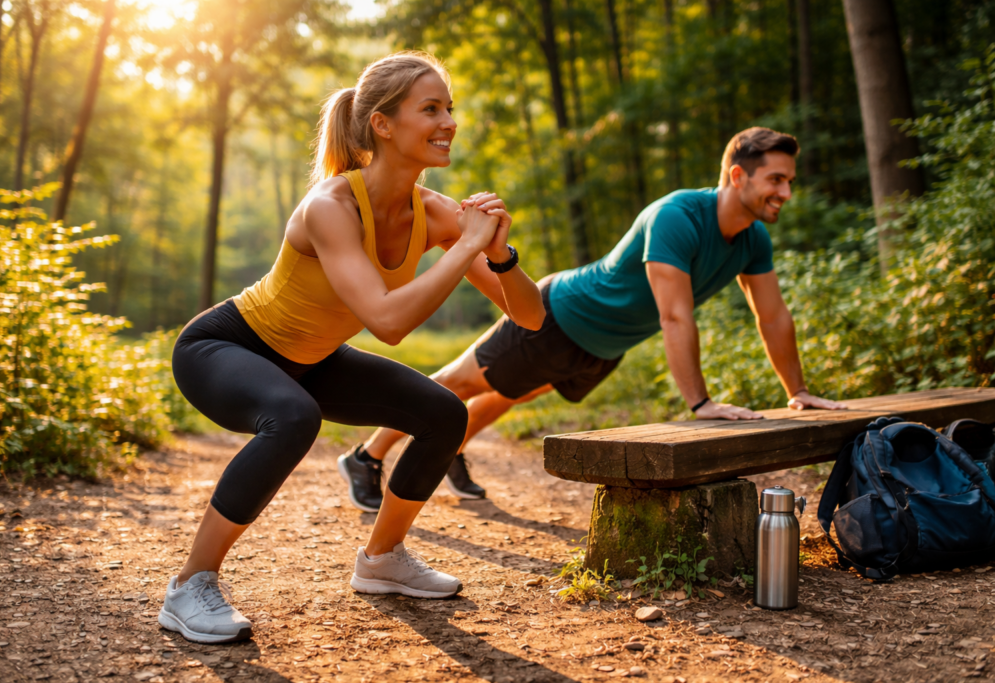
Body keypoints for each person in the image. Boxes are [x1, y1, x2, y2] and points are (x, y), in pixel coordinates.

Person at [157, 52, 545, 644]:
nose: (448, 122)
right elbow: (387, 322)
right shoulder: (330, 207)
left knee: (444, 413)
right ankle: (190, 585)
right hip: (226, 347)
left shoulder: (437, 213)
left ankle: (383, 560)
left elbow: (530, 316)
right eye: (430, 109)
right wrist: (467, 247)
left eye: (449, 108)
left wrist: (499, 255)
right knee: (292, 417)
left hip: (312, 360)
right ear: (382, 124)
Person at [340, 127, 848, 509]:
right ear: (738, 176)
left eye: (789, 181)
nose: (785, 191)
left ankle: (453, 446)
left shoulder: (753, 239)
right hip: (559, 314)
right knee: (460, 381)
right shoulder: (678, 216)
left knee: (511, 392)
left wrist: (798, 391)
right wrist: (701, 403)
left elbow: (773, 317)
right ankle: (366, 456)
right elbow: (674, 316)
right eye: (776, 179)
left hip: (604, 347)